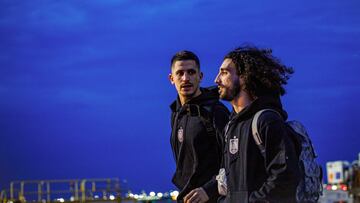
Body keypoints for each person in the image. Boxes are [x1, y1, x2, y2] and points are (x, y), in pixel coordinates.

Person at [214, 45, 301, 202]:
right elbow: (228, 184)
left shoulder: (267, 121)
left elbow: (285, 178)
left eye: (225, 72)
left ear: (244, 77)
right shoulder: (230, 127)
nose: (217, 80)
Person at [168, 50, 229, 203]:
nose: (185, 78)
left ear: (200, 76)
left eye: (191, 72)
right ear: (171, 79)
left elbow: (235, 161)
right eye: (180, 73)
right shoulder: (176, 113)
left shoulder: (216, 111)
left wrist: (210, 190)